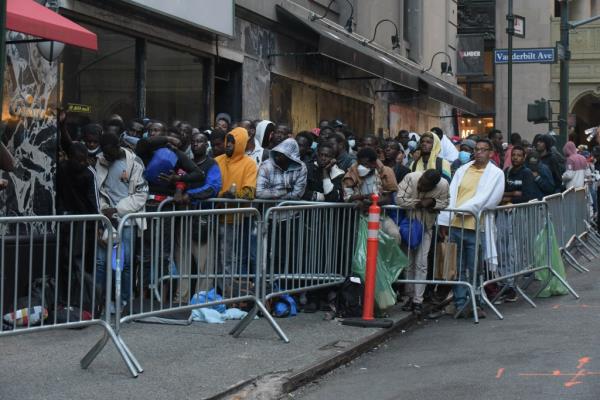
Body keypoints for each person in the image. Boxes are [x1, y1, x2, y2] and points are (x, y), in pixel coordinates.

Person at [438, 138, 505, 319]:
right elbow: (452, 194)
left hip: (477, 226)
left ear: (491, 153)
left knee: (475, 268)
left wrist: (461, 210)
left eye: (483, 150)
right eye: (477, 149)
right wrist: (446, 218)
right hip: (456, 225)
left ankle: (476, 301)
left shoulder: (496, 174)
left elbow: (488, 199)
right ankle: (460, 303)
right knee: (456, 268)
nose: (479, 152)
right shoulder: (462, 170)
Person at [95, 132, 148, 310]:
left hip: (127, 220)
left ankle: (124, 303)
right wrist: (104, 210)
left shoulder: (135, 162)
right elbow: (98, 191)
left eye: (112, 151)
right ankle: (99, 302)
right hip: (106, 219)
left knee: (125, 264)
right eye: (105, 152)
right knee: (102, 263)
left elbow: (141, 195)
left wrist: (117, 210)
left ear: (118, 145)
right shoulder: (100, 162)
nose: (108, 155)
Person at [173, 131, 223, 303]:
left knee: (204, 263)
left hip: (202, 218)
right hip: (184, 216)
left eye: (200, 141)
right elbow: (180, 179)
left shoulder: (212, 164)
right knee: (182, 260)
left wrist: (190, 195)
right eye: (193, 141)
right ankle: (182, 298)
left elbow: (213, 188)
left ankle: (202, 300)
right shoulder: (187, 163)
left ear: (206, 144)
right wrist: (179, 190)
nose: (196, 144)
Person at [396, 169, 449, 315]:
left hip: (427, 227)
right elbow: (399, 199)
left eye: (425, 186)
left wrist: (433, 202)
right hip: (410, 226)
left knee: (421, 263)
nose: (421, 186)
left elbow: (445, 203)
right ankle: (409, 296)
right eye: (421, 182)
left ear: (433, 186)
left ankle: (417, 300)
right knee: (409, 263)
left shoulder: (443, 185)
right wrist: (420, 203)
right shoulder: (411, 177)